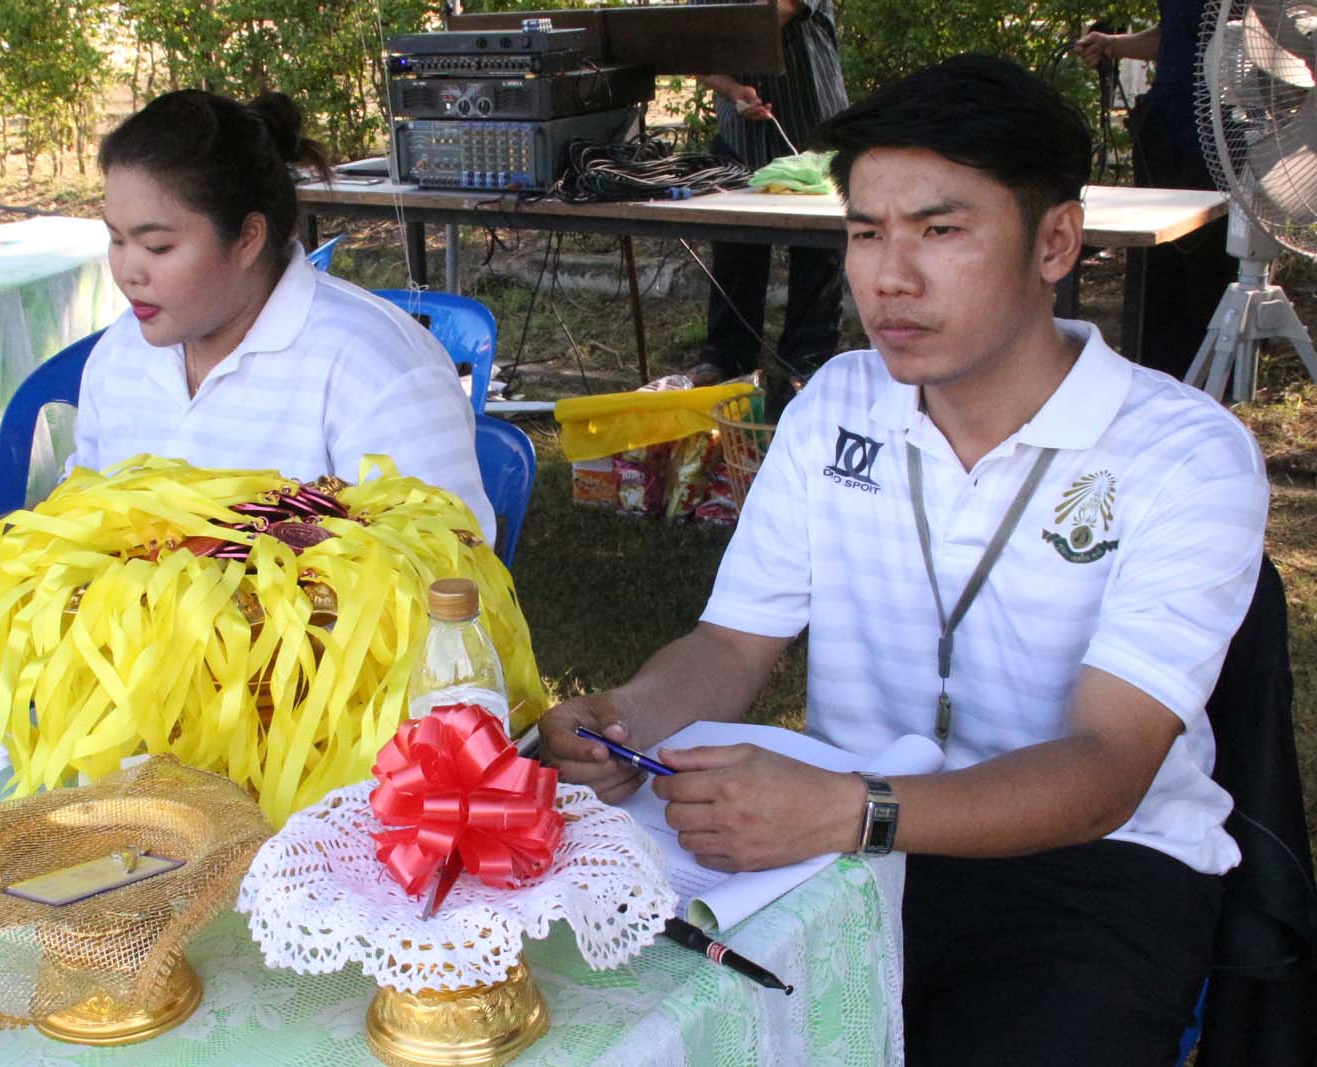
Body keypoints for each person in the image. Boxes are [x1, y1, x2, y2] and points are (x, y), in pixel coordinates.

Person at [542, 55, 1268, 1065]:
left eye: (940, 231)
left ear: (1055, 241)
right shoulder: (838, 404)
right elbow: (731, 643)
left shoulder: (1181, 454)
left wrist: (853, 808)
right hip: (841, 845)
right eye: (865, 233)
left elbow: (1107, 768)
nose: (891, 277)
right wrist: (625, 718)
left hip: (1091, 864)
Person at [0, 89, 494, 541]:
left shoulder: (375, 367)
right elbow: (87, 517)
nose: (128, 271)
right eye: (116, 240)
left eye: (157, 247)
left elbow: (449, 569)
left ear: (248, 238)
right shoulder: (122, 354)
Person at [687, 0, 850, 420]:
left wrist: (713, 39)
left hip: (814, 126)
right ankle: (727, 358)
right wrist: (731, 89)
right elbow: (691, 43)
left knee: (817, 251)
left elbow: (775, 12)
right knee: (734, 246)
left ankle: (806, 363)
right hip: (741, 135)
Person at [1073, 6, 1237, 380]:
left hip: (1221, 140)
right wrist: (1114, 45)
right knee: (1157, 273)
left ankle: (1212, 385)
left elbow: (1278, 44)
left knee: (1208, 272)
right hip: (1163, 131)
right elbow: (1175, 34)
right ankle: (1155, 379)